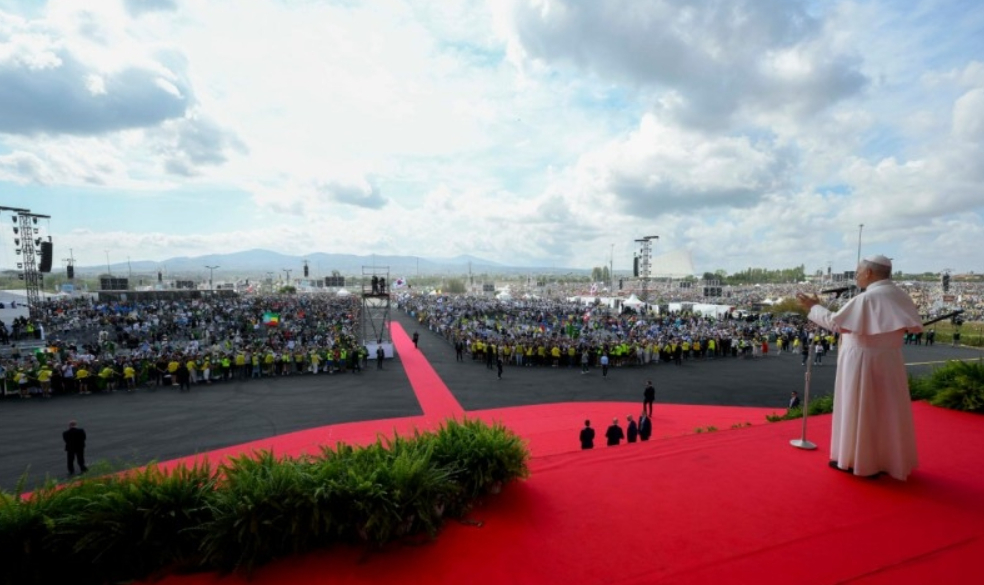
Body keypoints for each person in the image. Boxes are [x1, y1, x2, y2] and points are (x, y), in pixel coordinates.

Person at [796, 255, 922, 480]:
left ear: (869, 273)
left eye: (857, 271)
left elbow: (837, 324)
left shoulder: (868, 298)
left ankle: (858, 461)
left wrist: (814, 307)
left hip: (862, 362)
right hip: (890, 361)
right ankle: (886, 460)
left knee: (860, 408)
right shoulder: (900, 295)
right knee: (886, 412)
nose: (855, 275)